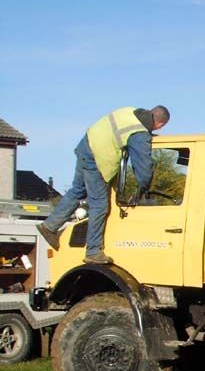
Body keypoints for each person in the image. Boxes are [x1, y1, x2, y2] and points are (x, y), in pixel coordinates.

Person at [37, 105, 170, 265]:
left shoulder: (129, 112)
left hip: (85, 146)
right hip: (98, 158)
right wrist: (143, 188)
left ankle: (50, 225)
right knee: (99, 205)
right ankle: (93, 251)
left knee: (77, 190)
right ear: (160, 124)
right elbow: (144, 168)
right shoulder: (139, 134)